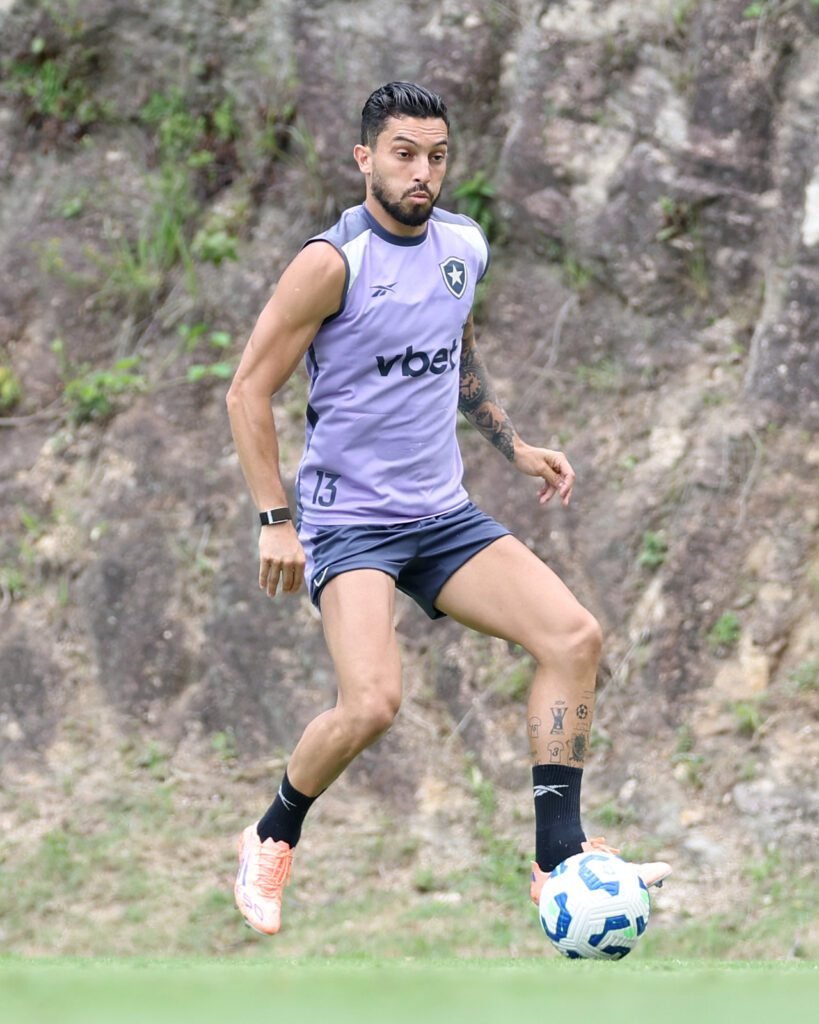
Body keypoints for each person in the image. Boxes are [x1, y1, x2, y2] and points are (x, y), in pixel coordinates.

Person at [226, 81, 670, 936]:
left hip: (441, 515)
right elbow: (247, 390)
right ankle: (271, 835)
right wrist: (274, 520)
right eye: (403, 154)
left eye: (435, 156)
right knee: (370, 703)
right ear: (365, 158)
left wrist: (514, 444)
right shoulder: (331, 263)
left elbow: (454, 355)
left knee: (573, 638)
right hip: (349, 523)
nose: (421, 172)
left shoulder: (463, 245)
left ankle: (556, 858)